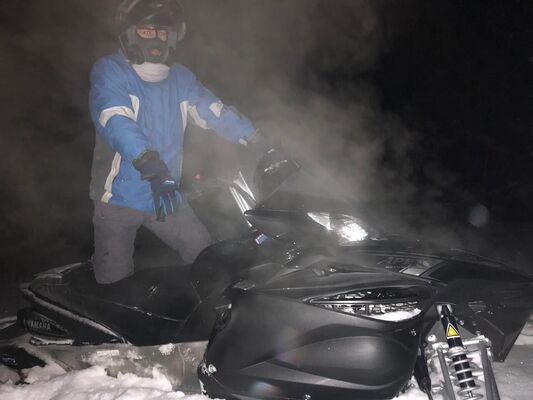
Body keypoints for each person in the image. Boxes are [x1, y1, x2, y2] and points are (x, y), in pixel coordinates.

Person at [89, 0, 262, 284]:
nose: (156, 39)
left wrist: (254, 137)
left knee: (205, 256)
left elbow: (213, 111)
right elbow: (116, 121)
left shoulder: (180, 77)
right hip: (119, 198)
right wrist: (151, 165)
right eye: (147, 31)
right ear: (129, 33)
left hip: (164, 196)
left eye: (163, 32)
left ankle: (200, 309)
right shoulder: (111, 70)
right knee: (114, 281)